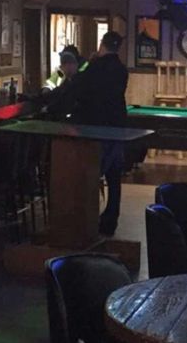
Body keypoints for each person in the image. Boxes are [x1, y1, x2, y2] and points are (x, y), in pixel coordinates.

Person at [45, 30, 129, 236]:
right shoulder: (121, 69)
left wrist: (50, 105)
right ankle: (111, 219)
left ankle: (86, 219)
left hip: (94, 128)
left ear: (102, 44)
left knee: (91, 174)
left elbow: (76, 90)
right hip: (117, 127)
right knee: (114, 176)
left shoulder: (95, 67)